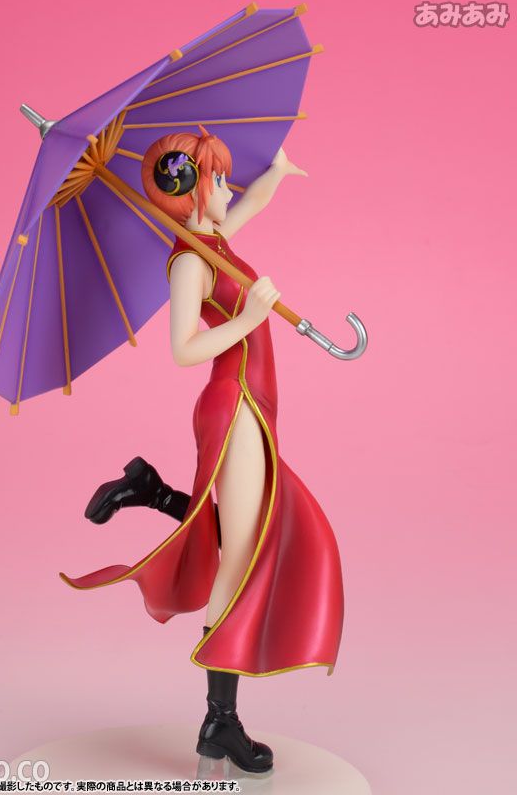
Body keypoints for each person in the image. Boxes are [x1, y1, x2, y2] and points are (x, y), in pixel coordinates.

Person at [60, 126, 344, 774]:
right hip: (233, 404)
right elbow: (183, 349)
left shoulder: (212, 241)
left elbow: (253, 203)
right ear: (192, 190)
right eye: (219, 178)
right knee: (239, 558)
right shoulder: (189, 260)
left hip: (254, 405)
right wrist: (249, 320)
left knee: (249, 536)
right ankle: (221, 721)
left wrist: (277, 170)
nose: (229, 187)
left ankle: (151, 490)